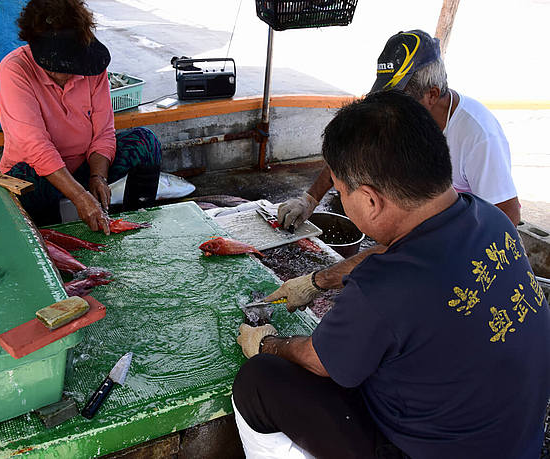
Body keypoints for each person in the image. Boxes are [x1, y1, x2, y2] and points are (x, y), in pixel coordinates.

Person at [233, 91, 550, 458]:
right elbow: (396, 252)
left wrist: (268, 343)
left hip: (427, 450)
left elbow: (320, 360)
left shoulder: (383, 290)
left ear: (369, 200)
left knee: (260, 379)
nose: (341, 199)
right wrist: (315, 282)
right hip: (516, 440)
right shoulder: (490, 218)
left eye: (339, 192)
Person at [278, 29, 521, 229]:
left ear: (432, 95)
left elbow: (507, 216)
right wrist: (308, 200)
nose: (389, 108)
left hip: (462, 233)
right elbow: (347, 152)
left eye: (399, 98)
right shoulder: (399, 113)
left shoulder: (478, 135)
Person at [0, 0, 161, 233]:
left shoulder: (91, 65)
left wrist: (98, 177)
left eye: (70, 65)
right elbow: (36, 147)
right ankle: (54, 239)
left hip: (83, 165)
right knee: (28, 179)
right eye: (53, 66)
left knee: (146, 142)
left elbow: (104, 131)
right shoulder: (14, 69)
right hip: (40, 174)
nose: (64, 74)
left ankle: (135, 224)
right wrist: (80, 196)